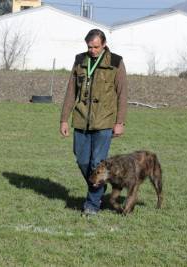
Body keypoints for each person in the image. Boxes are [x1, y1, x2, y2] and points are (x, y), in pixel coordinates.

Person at [59, 29, 128, 216]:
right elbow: (71, 92)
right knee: (83, 161)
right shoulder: (80, 60)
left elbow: (122, 94)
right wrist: (64, 119)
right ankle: (98, 189)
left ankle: (92, 204)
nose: (92, 50)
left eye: (96, 46)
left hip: (104, 122)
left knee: (97, 162)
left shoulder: (116, 62)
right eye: (89, 46)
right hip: (81, 120)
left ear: (104, 44)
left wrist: (120, 122)